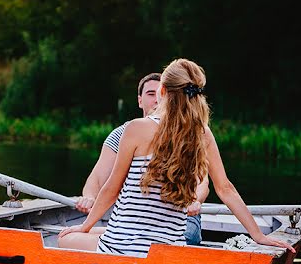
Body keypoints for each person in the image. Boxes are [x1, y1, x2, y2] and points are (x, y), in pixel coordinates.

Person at [59, 58, 293, 256]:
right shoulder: (203, 134)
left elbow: (111, 188)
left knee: (66, 238)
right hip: (168, 249)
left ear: (162, 91)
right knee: (98, 231)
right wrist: (258, 236)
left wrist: (85, 225)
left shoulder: (136, 128)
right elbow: (226, 189)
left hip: (123, 248)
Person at [76, 72, 208, 245]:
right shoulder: (124, 134)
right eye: (150, 94)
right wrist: (90, 197)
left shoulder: (189, 134)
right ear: (140, 101)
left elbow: (202, 183)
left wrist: (195, 201)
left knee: (187, 236)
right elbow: (99, 178)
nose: (156, 99)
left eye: (160, 93)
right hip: (137, 221)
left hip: (181, 218)